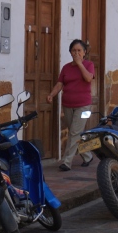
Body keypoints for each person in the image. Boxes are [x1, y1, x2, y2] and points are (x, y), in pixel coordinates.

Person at [47, 39, 95, 172]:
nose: (76, 53)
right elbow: (60, 84)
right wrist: (52, 94)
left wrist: (80, 64)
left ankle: (66, 162)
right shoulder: (66, 68)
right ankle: (87, 156)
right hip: (68, 105)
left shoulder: (89, 65)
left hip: (84, 106)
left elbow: (88, 78)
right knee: (76, 133)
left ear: (84, 52)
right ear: (70, 52)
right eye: (74, 51)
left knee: (74, 132)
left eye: (79, 50)